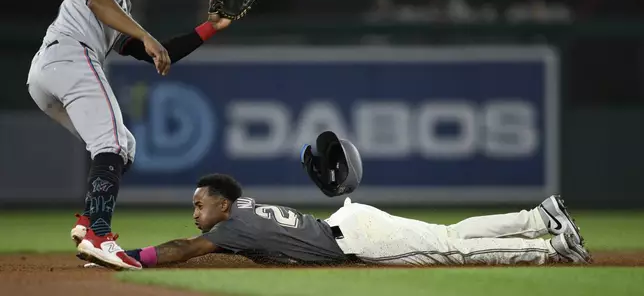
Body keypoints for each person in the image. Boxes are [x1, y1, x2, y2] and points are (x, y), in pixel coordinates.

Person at [26, 0, 234, 270]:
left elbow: (150, 50)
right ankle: (100, 236)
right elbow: (97, 2)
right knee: (111, 144)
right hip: (71, 57)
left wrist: (210, 26)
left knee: (123, 146)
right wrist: (147, 36)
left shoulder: (120, 2)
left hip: (46, 75)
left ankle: (91, 223)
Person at [110, 173, 590, 269]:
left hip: (358, 238)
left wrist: (125, 256)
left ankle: (551, 247)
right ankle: (537, 217)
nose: (195, 214)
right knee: (452, 234)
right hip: (352, 221)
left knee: (453, 248)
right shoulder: (245, 208)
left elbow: (180, 250)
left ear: (222, 204)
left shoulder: (230, 225)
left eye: (200, 205)